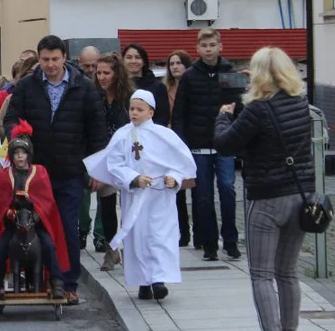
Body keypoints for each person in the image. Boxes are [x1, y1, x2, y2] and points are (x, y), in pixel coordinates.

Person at [213, 47, 314, 331]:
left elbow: (226, 143)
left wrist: (223, 115)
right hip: (300, 197)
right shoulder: (301, 104)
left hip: (267, 199)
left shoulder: (257, 110)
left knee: (261, 275)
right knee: (288, 273)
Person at [3, 34, 108, 305]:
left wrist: (95, 169)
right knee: (31, 227)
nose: (50, 65)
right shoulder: (27, 86)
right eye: (45, 59)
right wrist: (18, 137)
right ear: (38, 59)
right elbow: (12, 118)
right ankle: (36, 279)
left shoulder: (83, 87)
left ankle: (68, 282)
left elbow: (97, 132)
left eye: (55, 59)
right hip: (34, 174)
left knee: (66, 228)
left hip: (69, 170)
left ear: (64, 58)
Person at [84, 90, 196, 302]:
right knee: (138, 238)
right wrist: (133, 178)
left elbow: (179, 163)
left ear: (151, 112)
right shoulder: (122, 135)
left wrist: (174, 178)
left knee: (160, 236)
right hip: (135, 197)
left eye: (139, 109)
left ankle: (159, 280)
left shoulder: (165, 135)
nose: (134, 113)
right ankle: (143, 282)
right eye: (132, 109)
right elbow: (114, 164)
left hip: (160, 197)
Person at [0, 120, 68, 300]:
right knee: (1, 247)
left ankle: (57, 281)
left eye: (23, 153)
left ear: (29, 154)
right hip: (12, 224)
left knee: (48, 245)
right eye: (16, 153)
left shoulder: (40, 172)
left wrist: (35, 216)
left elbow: (47, 202)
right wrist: (9, 214)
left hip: (36, 223)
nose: (20, 157)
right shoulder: (5, 175)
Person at [172, 28, 240, 262]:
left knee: (228, 190)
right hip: (198, 146)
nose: (209, 49)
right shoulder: (190, 76)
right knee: (203, 196)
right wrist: (182, 144)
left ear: (221, 46)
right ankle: (210, 244)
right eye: (204, 46)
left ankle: (230, 241)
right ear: (198, 49)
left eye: (213, 45)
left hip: (225, 145)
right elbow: (179, 112)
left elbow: (239, 107)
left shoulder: (231, 72)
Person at [92, 52, 131, 268]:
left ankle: (131, 247)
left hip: (127, 156)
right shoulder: (94, 96)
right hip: (104, 156)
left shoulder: (128, 97)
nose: (102, 77)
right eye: (99, 73)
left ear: (117, 74)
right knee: (106, 205)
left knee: (128, 204)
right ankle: (111, 248)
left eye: (106, 73)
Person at [164, 49, 195, 247]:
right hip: (169, 143)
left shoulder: (192, 85)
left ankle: (197, 233)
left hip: (189, 140)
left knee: (197, 189)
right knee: (177, 190)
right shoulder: (164, 88)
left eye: (179, 63)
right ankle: (182, 233)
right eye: (172, 63)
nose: (175, 66)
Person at [122, 43, 170, 127]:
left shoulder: (158, 87)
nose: (133, 61)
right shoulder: (118, 86)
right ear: (123, 61)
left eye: (137, 57)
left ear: (144, 61)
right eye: (129, 57)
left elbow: (162, 119)